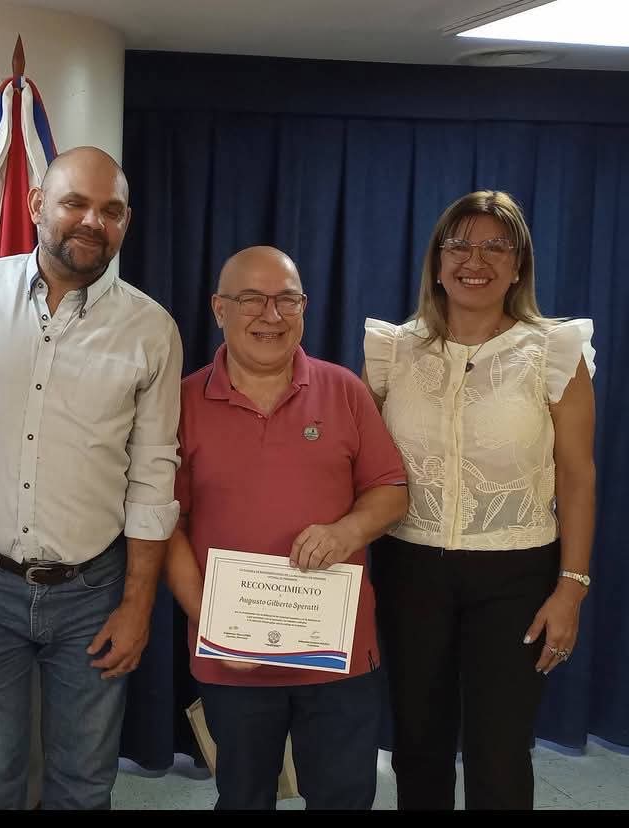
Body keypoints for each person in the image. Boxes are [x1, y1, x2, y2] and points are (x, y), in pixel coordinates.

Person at [0, 146, 183, 810]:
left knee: (84, 783)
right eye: (75, 203)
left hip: (93, 591)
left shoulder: (151, 330)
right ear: (36, 204)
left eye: (112, 210)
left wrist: (137, 606)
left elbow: (153, 476)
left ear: (126, 222)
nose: (93, 221)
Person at [363, 190, 596, 810]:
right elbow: (363, 467)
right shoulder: (393, 350)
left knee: (500, 754)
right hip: (410, 568)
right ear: (437, 262)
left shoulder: (554, 352)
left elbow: (577, 475)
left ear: (519, 265)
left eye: (497, 246)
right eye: (460, 244)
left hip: (517, 574)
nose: (476, 260)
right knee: (418, 745)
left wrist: (571, 588)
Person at [163, 246, 408, 811]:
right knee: (243, 797)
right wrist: (212, 624)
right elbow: (166, 526)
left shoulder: (344, 390)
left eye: (287, 300)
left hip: (337, 653)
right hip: (234, 659)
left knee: (344, 798)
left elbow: (392, 490)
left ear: (304, 307)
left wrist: (347, 532)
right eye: (252, 299)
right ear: (219, 308)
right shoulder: (181, 402)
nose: (271, 315)